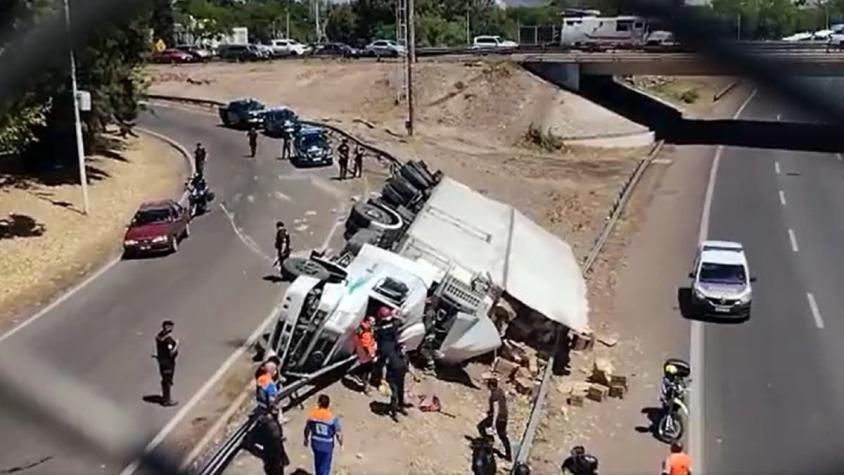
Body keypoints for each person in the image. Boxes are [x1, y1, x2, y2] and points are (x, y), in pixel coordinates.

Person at [304, 394, 343, 475]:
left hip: (315, 443)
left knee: (317, 462)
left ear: (319, 403)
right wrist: (341, 443)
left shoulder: (312, 415)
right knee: (325, 465)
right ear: (328, 405)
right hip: (327, 445)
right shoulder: (332, 418)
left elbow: (307, 428)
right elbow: (338, 433)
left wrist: (306, 439)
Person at [477, 377, 511, 461]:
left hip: (498, 418)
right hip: (504, 417)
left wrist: (493, 423)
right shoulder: (500, 391)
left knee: (480, 427)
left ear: (491, 385)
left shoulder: (494, 395)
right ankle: (509, 453)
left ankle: (488, 441)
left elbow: (496, 408)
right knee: (502, 435)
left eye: (488, 385)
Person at [372, 306, 399, 387]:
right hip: (393, 346)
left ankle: (381, 380)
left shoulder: (379, 328)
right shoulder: (394, 324)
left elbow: (376, 337)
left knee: (381, 364)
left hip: (383, 348)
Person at [154, 320, 179, 407]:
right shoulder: (168, 340)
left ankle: (165, 396)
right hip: (168, 362)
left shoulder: (159, 336)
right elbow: (171, 352)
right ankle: (167, 400)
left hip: (161, 360)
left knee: (164, 378)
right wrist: (176, 346)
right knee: (167, 380)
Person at [352, 317, 376, 395]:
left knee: (364, 370)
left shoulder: (362, 328)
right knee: (366, 373)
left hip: (361, 353)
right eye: (372, 321)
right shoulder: (366, 333)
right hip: (366, 357)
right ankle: (366, 388)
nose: (374, 323)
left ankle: (360, 378)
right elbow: (366, 345)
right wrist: (372, 355)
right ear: (368, 321)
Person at [385, 344, 409, 422]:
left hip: (401, 379)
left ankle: (401, 407)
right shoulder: (392, 357)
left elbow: (409, 366)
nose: (404, 351)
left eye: (405, 349)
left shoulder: (405, 357)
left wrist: (415, 375)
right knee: (394, 395)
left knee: (401, 394)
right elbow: (385, 367)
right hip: (392, 379)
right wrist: (382, 378)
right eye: (403, 349)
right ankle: (394, 412)